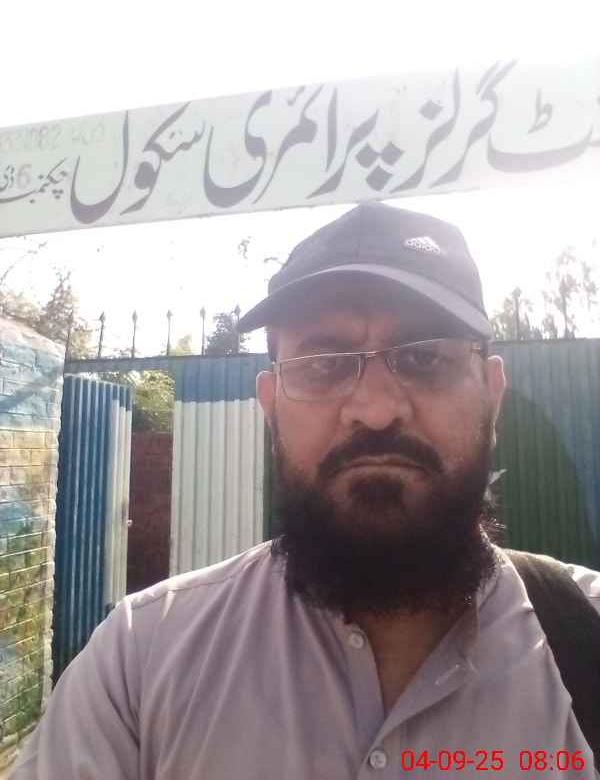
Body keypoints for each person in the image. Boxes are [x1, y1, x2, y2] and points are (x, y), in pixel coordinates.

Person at [10, 203, 600, 779]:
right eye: (322, 364)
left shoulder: (586, 635)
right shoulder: (139, 663)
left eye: (424, 358)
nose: (375, 410)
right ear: (270, 408)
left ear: (492, 396)